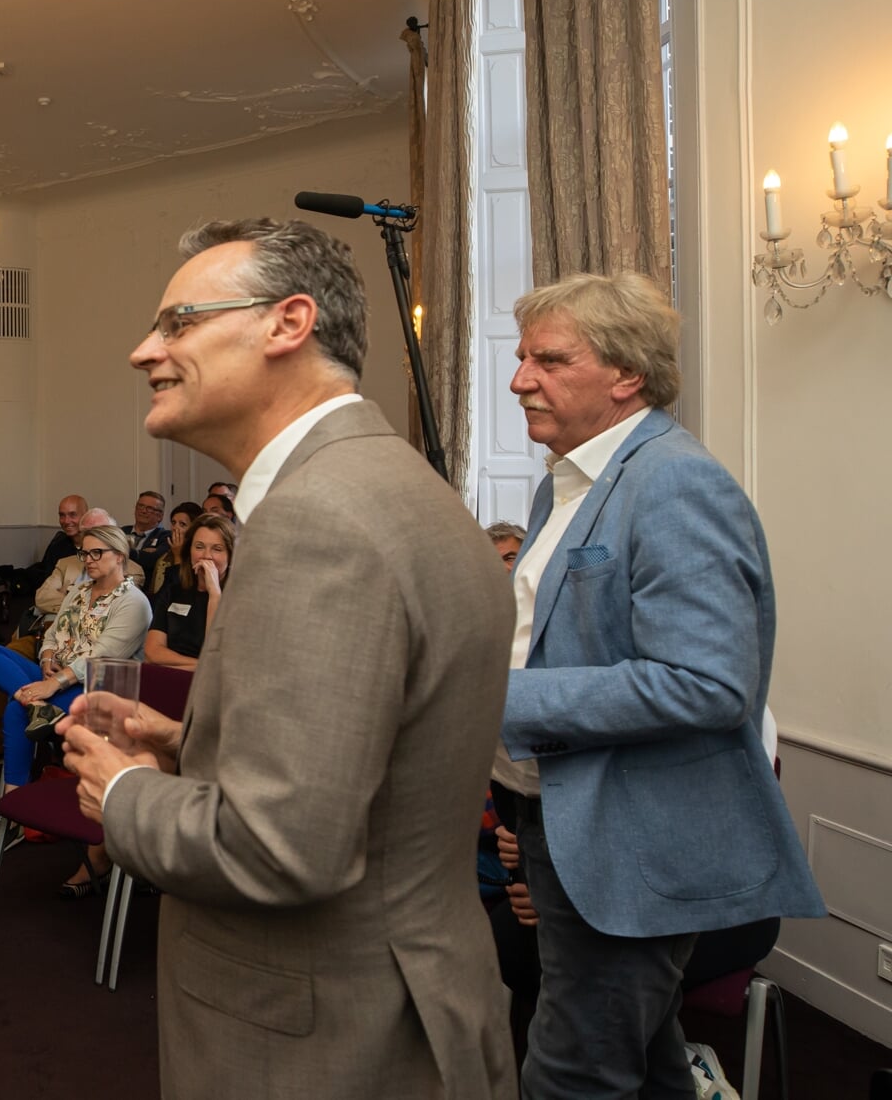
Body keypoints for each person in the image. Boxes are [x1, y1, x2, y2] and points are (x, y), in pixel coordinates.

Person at [56, 217, 516, 1097]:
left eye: (179, 322)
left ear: (287, 323)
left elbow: (280, 849)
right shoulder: (395, 485)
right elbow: (368, 775)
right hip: (415, 990)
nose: (143, 351)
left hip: (325, 1035)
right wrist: (185, 743)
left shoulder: (318, 520)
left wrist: (123, 790)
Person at [497, 270, 822, 1098]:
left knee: (575, 1072)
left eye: (548, 359)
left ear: (626, 374)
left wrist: (498, 701)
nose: (519, 378)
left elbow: (707, 683)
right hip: (560, 819)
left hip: (631, 841)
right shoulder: (561, 485)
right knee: (644, 1062)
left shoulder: (674, 480)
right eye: (521, 356)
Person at [0, 519, 149, 870]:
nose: (88, 560)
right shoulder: (80, 591)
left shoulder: (133, 603)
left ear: (119, 556)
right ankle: (39, 707)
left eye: (97, 553)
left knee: (14, 707)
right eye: (84, 553)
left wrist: (53, 683)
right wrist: (47, 656)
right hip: (55, 673)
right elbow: (53, 632)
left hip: (97, 686)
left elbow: (101, 655)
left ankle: (12, 809)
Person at [142, 513, 233, 670]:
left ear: (230, 556)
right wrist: (200, 667)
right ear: (189, 550)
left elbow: (217, 655)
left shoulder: (238, 599)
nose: (206, 556)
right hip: (171, 678)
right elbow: (152, 652)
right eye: (199, 547)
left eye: (217, 549)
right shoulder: (174, 591)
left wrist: (214, 594)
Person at [148, 501, 202, 594]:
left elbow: (180, 590)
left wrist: (178, 555)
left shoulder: (197, 556)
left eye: (182, 524)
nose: (175, 528)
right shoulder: (167, 552)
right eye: (173, 523)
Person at [123, 491, 171, 578]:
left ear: (160, 516)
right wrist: (141, 553)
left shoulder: (165, 536)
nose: (143, 511)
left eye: (150, 508)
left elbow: (151, 561)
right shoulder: (121, 531)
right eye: (140, 506)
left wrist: (121, 549)